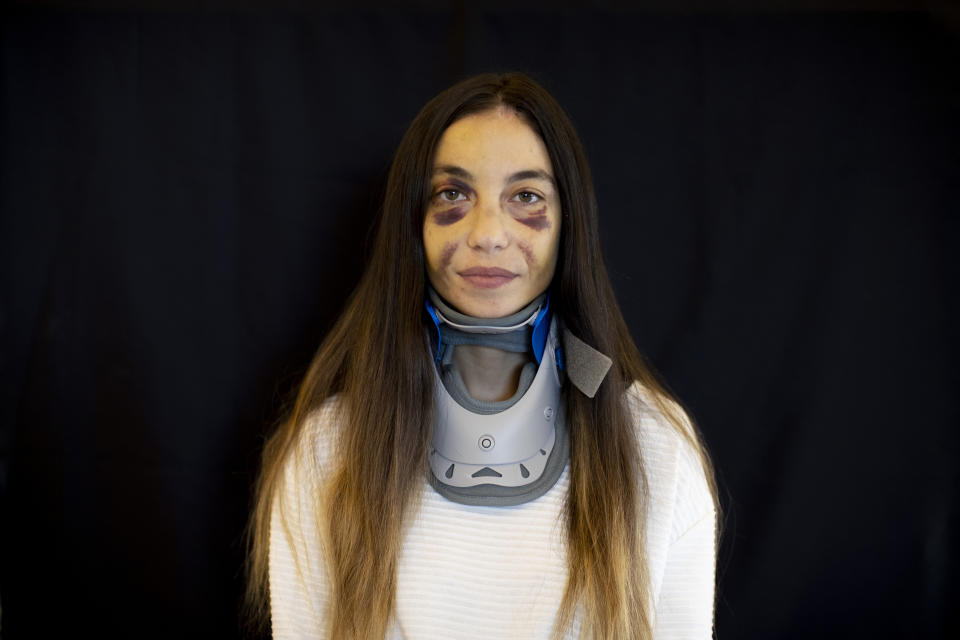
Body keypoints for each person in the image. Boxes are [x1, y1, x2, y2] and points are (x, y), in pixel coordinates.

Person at [246, 72, 718, 639]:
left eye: (526, 196)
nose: (488, 233)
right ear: (412, 226)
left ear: (570, 226)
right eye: (452, 194)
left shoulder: (656, 448)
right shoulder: (327, 455)